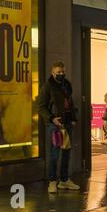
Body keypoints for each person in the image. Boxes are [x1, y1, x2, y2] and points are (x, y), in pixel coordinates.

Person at [37, 61, 80, 193]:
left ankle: (64, 180)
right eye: (58, 72)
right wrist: (52, 118)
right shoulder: (47, 87)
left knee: (66, 152)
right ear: (52, 72)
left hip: (67, 123)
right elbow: (41, 107)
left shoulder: (67, 85)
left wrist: (73, 118)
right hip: (54, 125)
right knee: (54, 154)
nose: (61, 74)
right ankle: (52, 181)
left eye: (62, 72)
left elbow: (69, 102)